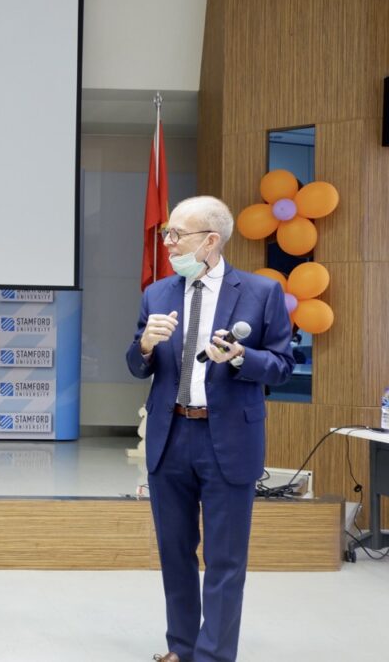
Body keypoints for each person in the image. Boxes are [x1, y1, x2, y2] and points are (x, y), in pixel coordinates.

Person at [126, 196, 294, 662]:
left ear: (211, 241)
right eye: (167, 233)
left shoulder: (261, 293)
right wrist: (144, 345)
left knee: (225, 559)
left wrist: (241, 357)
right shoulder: (157, 294)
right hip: (170, 436)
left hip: (230, 440)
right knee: (175, 552)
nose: (168, 242)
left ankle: (214, 655)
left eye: (177, 235)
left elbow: (282, 366)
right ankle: (181, 648)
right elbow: (137, 365)